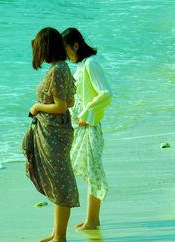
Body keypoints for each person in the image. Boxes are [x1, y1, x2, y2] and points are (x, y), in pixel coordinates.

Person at [22, 27, 79, 242]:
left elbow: (62, 106)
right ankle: (56, 233)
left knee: (60, 181)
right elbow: (71, 101)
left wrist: (37, 107)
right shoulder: (62, 68)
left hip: (54, 134)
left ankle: (60, 236)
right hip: (56, 132)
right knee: (58, 181)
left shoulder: (57, 71)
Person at [62, 27, 112, 230]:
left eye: (66, 50)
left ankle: (92, 220)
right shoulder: (81, 66)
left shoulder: (91, 64)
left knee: (92, 171)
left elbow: (106, 93)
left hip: (90, 127)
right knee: (84, 169)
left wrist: (87, 115)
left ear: (76, 45)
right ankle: (92, 218)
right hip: (81, 127)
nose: (65, 55)